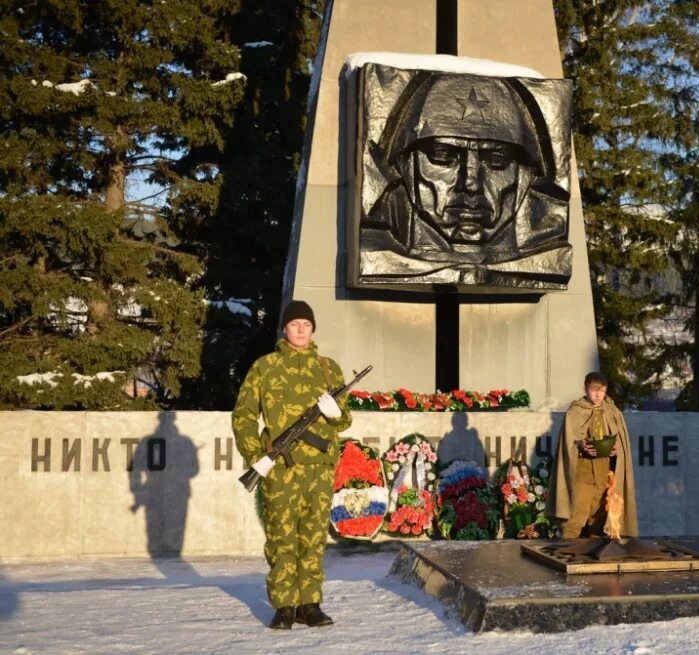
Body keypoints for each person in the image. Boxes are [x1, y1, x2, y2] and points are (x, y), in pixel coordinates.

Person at [358, 71, 572, 288]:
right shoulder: (376, 253)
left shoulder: (548, 260)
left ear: (527, 175)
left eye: (497, 159)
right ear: (403, 163)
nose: (471, 183)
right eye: (442, 155)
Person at [232, 300, 351, 629]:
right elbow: (243, 416)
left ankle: (309, 604)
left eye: (306, 324)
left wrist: (336, 414)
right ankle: (285, 605)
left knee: (313, 537)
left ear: (313, 329)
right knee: (281, 536)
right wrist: (256, 455)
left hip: (319, 469)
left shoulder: (328, 369)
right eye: (295, 324)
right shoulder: (265, 367)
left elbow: (345, 421)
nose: (301, 330)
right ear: (284, 328)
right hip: (281, 469)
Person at [546, 371, 638, 538]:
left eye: (601, 390)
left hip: (604, 473)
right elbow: (569, 441)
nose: (597, 395)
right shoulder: (575, 412)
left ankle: (593, 555)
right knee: (575, 517)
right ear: (585, 388)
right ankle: (568, 554)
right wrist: (581, 444)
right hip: (582, 472)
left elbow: (620, 440)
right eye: (593, 390)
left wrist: (616, 449)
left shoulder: (612, 411)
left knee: (599, 519)